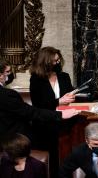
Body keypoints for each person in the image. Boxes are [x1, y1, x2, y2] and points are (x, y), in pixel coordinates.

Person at [0, 58, 79, 138]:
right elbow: (30, 111)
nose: (10, 74)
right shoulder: (6, 94)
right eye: (7, 72)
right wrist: (60, 114)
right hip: (12, 139)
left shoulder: (63, 76)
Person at [29, 46, 76, 177]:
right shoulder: (36, 79)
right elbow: (38, 104)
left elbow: (69, 94)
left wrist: (70, 97)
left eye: (58, 60)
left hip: (65, 121)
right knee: (52, 159)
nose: (57, 63)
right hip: (45, 124)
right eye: (54, 61)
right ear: (45, 62)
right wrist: (58, 101)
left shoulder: (64, 76)